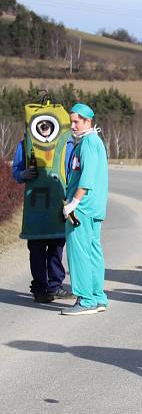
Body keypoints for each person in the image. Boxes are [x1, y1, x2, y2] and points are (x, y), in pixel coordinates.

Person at [12, 103, 74, 303]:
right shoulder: (24, 145)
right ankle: (40, 288)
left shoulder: (67, 145)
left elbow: (74, 171)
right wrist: (23, 174)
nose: (45, 126)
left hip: (57, 204)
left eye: (49, 123)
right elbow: (15, 172)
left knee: (57, 246)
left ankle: (55, 285)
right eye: (42, 123)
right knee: (37, 249)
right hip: (35, 207)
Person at [60, 103, 109, 316]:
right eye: (71, 121)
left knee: (79, 254)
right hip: (94, 208)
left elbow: (87, 177)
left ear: (88, 121)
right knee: (93, 252)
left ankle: (86, 299)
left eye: (76, 121)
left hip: (83, 209)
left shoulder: (88, 143)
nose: (72, 125)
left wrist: (74, 203)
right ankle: (98, 297)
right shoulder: (93, 141)